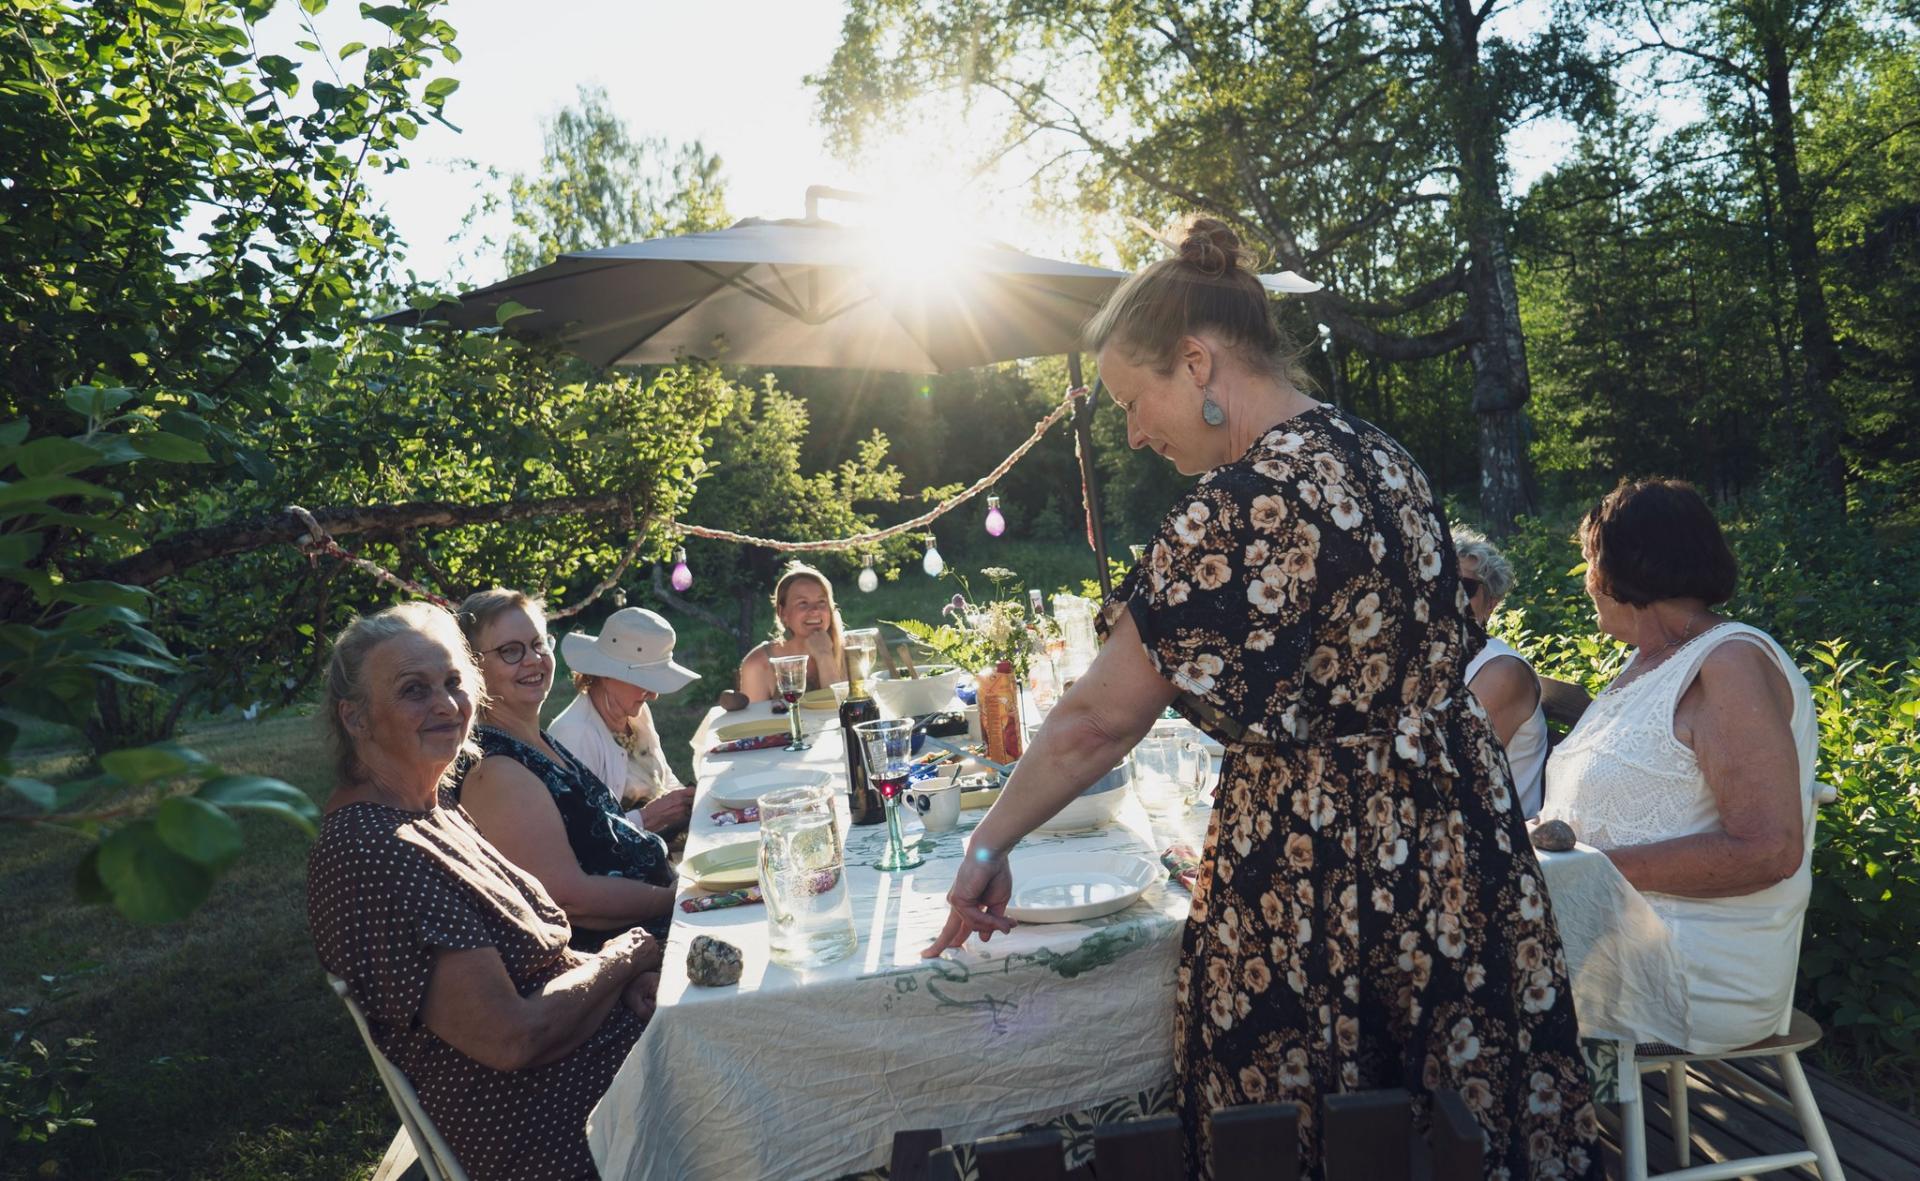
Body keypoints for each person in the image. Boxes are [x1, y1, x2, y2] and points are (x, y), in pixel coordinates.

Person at [924, 219, 1599, 1180]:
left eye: (1134, 399)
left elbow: (1093, 719)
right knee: (1450, 1124)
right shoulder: (1385, 457)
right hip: (1458, 841)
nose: (1132, 430)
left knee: (1303, 1133)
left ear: (1196, 362)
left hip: (1323, 861)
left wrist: (986, 846)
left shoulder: (1247, 501)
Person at [306, 602, 661, 1181]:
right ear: (356, 718)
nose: (445, 705)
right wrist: (628, 958)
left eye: (452, 683)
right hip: (556, 1131)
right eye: (413, 690)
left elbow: (541, 961)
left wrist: (621, 984)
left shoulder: (434, 808)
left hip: (601, 1066)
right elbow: (513, 1037)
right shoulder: (372, 852)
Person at [1538, 479, 1817, 1053]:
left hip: (1687, 968)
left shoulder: (1729, 663)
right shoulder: (1646, 665)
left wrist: (1581, 874)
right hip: (1607, 938)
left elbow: (1769, 849)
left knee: (1440, 970)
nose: (1587, 581)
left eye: (1589, 561)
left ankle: (1499, 1135)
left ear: (1619, 569)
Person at [454, 589, 675, 949]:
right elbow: (569, 900)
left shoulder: (535, 741)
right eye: (511, 651)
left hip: (645, 925)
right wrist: (674, 899)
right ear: (472, 667)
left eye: (539, 644)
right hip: (620, 956)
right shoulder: (495, 773)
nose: (533, 660)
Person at [547, 607, 698, 836]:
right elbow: (581, 835)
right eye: (644, 681)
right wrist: (648, 817)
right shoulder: (574, 735)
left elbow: (663, 777)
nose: (654, 695)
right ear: (607, 673)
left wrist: (684, 800)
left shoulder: (636, 712)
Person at [1452, 527, 1550, 817]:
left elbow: (1459, 772)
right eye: (1440, 582)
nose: (1449, 594)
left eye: (1465, 587)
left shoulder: (1501, 672)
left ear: (1491, 603)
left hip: (1498, 837)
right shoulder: (1440, 657)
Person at [728, 562, 846, 707]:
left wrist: (824, 656)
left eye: (822, 602)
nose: (815, 610)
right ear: (782, 613)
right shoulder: (758, 664)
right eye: (803, 603)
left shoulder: (848, 651)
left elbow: (844, 715)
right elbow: (756, 726)